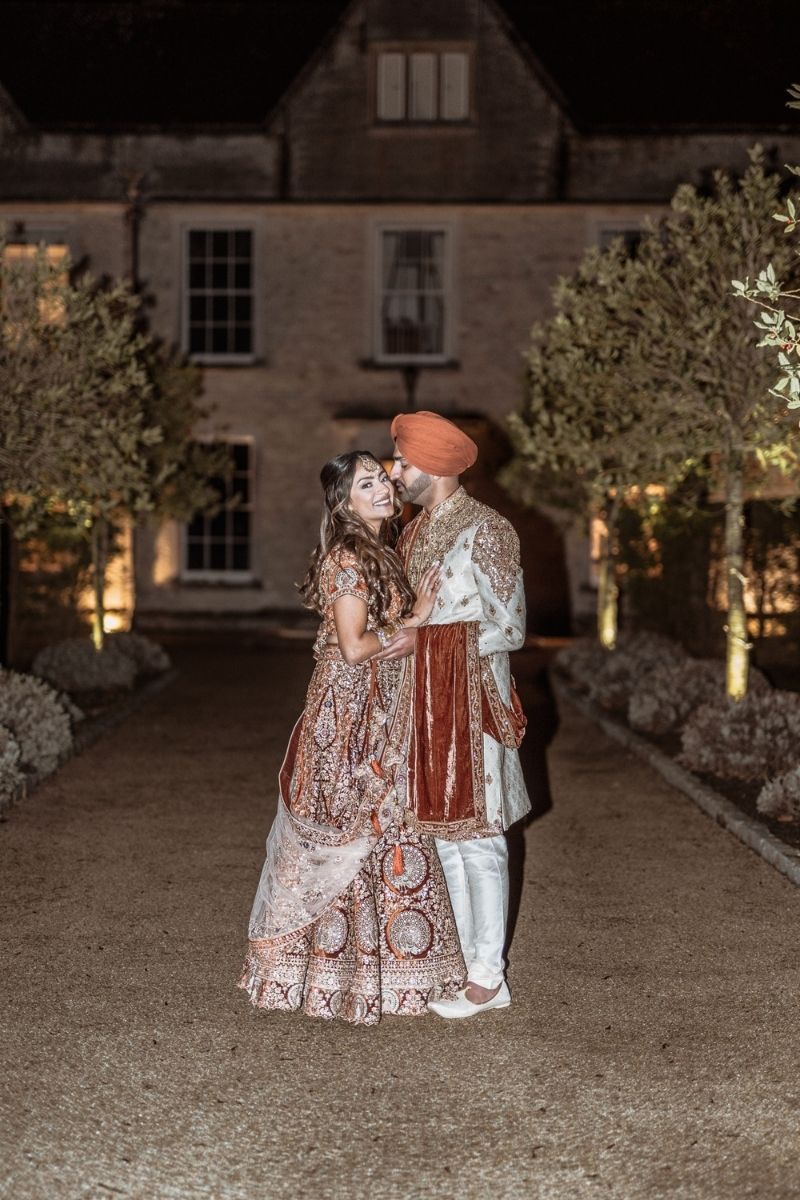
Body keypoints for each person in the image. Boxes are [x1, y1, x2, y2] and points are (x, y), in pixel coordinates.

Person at [239, 451, 465, 1025]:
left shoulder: (380, 551)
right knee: (344, 825)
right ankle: (318, 975)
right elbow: (354, 647)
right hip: (347, 716)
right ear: (344, 503)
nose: (384, 489)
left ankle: (389, 974)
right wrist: (415, 621)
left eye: (383, 480)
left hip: (380, 710)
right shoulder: (347, 559)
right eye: (367, 484)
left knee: (386, 825)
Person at [377, 412, 530, 1019]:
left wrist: (429, 641)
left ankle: (489, 979)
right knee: (444, 842)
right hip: (425, 704)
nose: (396, 474)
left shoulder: (488, 531)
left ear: (434, 468)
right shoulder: (414, 532)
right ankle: (473, 970)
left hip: (473, 706)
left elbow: (512, 629)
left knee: (482, 842)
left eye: (403, 463)